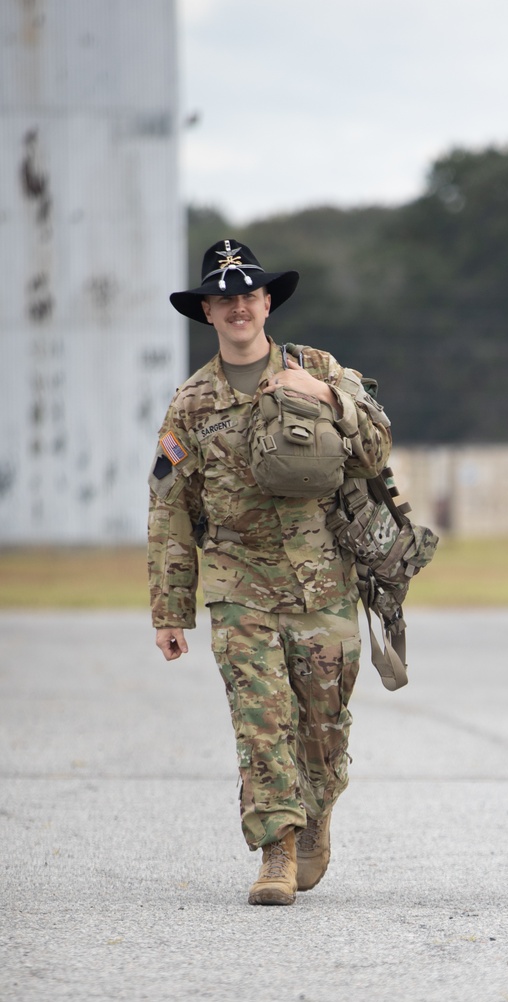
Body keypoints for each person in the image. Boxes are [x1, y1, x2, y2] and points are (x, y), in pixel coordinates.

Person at [148, 239, 391, 906]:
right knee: (261, 723)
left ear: (267, 302)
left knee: (322, 727)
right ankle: (276, 850)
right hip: (239, 584)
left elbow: (376, 446)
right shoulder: (192, 404)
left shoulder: (320, 368)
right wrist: (171, 609)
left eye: (248, 295)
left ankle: (316, 817)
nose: (238, 307)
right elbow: (170, 510)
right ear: (206, 310)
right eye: (223, 298)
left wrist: (326, 396)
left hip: (323, 582)